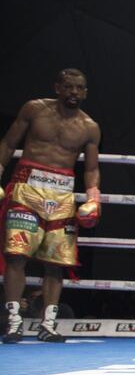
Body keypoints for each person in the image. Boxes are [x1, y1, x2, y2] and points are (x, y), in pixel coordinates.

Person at [1, 68, 101, 343]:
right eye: (68, 87)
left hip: (63, 195)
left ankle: (49, 324)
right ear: (57, 87)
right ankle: (13, 321)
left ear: (85, 92)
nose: (74, 93)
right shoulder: (35, 110)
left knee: (56, 263)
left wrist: (93, 197)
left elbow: (91, 170)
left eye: (79, 88)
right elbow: (9, 143)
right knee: (16, 255)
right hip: (27, 188)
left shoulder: (89, 127)